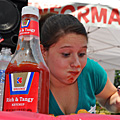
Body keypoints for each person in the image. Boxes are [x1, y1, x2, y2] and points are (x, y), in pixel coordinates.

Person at [39, 13, 120, 116]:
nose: (77, 64)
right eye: (66, 54)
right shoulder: (28, 79)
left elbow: (110, 97)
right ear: (43, 52)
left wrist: (117, 102)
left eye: (81, 54)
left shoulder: (90, 70)